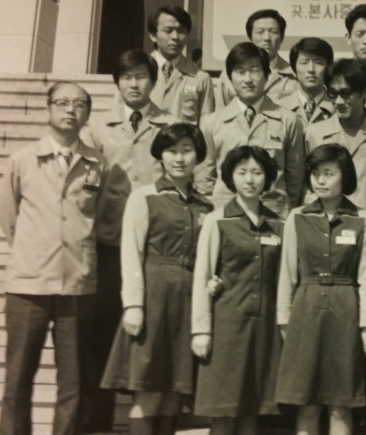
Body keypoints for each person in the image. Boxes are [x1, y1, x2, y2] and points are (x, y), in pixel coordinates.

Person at [0, 81, 108, 435]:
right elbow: (8, 216)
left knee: (73, 382)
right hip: (28, 285)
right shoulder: (22, 160)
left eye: (79, 104)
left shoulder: (97, 164)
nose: (70, 110)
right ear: (48, 109)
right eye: (62, 103)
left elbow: (100, 215)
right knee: (17, 378)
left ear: (87, 114)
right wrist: (33, 251)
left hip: (76, 283)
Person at [79, 49, 179, 432]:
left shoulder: (171, 124)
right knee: (102, 329)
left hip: (156, 246)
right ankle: (99, 421)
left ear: (153, 81)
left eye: (141, 77)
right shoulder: (97, 128)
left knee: (152, 332)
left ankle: (150, 418)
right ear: (117, 83)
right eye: (127, 77)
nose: (134, 84)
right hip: (110, 241)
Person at [99, 123, 213, 435]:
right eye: (172, 151)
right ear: (160, 157)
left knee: (175, 391)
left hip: (188, 302)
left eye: (187, 150)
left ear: (198, 156)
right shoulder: (143, 197)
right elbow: (131, 253)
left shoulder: (206, 205)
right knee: (148, 390)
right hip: (153, 299)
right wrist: (134, 304)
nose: (179, 158)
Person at [275, 144, 366, 435]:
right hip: (306, 311)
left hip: (346, 311)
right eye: (315, 174)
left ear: (344, 176)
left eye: (329, 173)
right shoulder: (297, 217)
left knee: (341, 402)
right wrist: (284, 318)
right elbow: (287, 273)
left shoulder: (362, 219)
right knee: (307, 402)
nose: (320, 180)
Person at [191, 146, 284, 434]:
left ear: (267, 178)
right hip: (228, 326)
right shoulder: (217, 220)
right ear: (231, 177)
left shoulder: (278, 224)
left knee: (253, 410)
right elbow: (203, 276)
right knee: (224, 410)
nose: (249, 179)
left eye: (257, 172)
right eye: (242, 172)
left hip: (265, 329)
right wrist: (201, 330)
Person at [200, 42, 305, 216]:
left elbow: (295, 178)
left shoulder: (289, 120)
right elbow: (205, 179)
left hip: (273, 216)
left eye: (255, 70)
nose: (248, 79)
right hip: (226, 216)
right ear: (229, 77)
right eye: (240, 71)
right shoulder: (212, 123)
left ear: (267, 75)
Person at [305, 58, 366, 215]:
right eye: (333, 94)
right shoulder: (315, 134)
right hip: (329, 224)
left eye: (346, 93)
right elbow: (306, 188)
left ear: (364, 92)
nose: (339, 101)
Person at [147, 5, 215, 126]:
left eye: (181, 31)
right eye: (168, 30)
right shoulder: (137, 73)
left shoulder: (201, 78)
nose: (175, 37)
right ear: (153, 35)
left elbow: (206, 128)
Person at [221, 9, 298, 106]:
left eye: (273, 32)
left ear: (281, 37)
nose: (267, 38)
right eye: (260, 32)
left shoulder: (295, 76)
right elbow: (220, 112)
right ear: (250, 37)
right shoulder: (228, 75)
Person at [279, 37, 335, 125]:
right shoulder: (279, 107)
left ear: (328, 68)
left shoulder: (338, 107)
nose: (311, 69)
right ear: (294, 69)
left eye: (318, 63)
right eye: (304, 62)